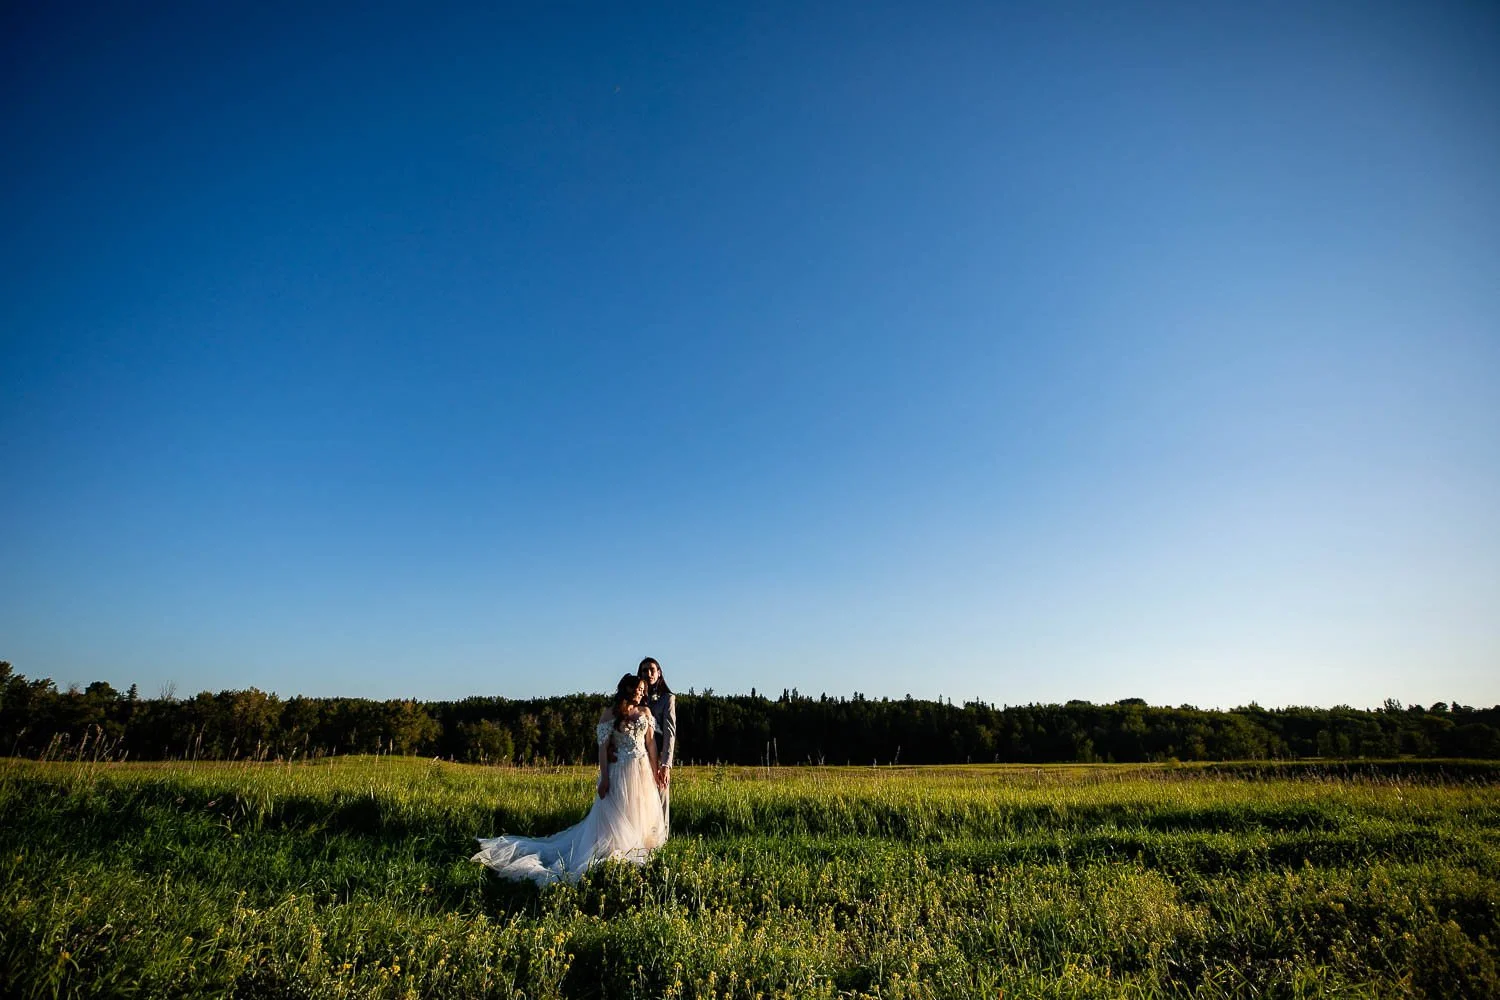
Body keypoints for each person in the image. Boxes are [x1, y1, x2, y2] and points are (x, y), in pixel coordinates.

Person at [471, 673, 667, 885]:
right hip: (619, 769)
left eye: (641, 690)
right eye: (636, 689)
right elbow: (602, 748)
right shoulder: (610, 714)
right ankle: (617, 845)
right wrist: (604, 778)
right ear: (626, 690)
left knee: (639, 808)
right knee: (618, 810)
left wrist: (655, 771)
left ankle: (638, 844)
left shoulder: (645, 712)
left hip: (641, 769)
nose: (639, 693)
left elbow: (651, 745)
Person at [638, 657, 676, 830]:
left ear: (659, 673)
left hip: (659, 754)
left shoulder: (667, 698)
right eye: (644, 670)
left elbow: (670, 733)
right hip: (638, 754)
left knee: (660, 793)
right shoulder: (637, 698)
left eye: (652, 669)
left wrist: (666, 764)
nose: (648, 673)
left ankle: (662, 837)